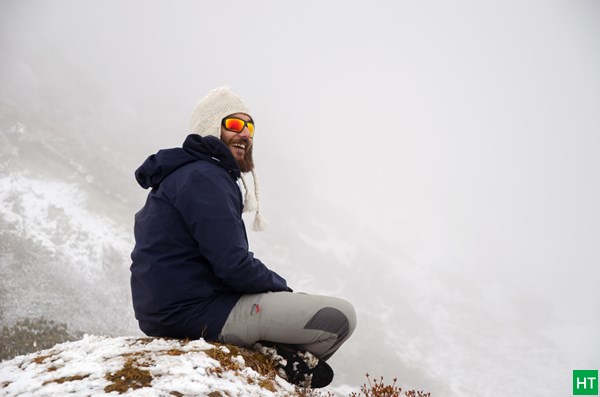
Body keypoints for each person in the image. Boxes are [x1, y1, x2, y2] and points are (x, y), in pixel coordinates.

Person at [130, 86, 356, 387]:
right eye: (234, 125)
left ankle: (273, 356)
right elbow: (233, 264)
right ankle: (273, 375)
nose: (245, 135)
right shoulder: (205, 177)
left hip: (171, 310)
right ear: (211, 128)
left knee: (304, 322)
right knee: (338, 318)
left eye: (249, 127)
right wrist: (282, 292)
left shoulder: (186, 175)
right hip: (194, 312)